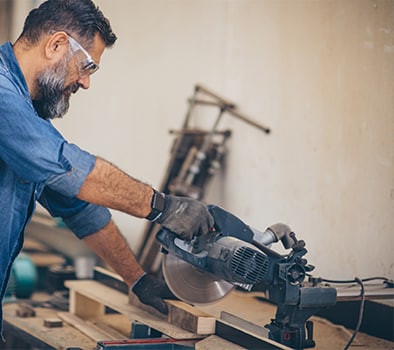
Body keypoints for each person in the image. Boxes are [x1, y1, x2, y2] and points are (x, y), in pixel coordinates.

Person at [0, 0, 214, 340]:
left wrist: (138, 279)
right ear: (55, 44)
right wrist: (163, 207)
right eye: (86, 66)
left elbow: (80, 208)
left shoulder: (27, 116)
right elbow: (72, 170)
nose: (85, 83)